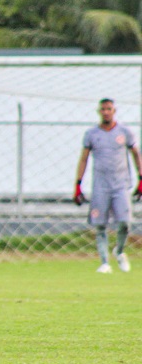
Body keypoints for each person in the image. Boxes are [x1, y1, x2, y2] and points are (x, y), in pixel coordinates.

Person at [73, 98, 142, 273]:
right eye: (103, 109)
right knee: (101, 225)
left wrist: (141, 179)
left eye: (109, 109)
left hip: (121, 185)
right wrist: (78, 184)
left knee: (124, 223)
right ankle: (104, 262)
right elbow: (84, 158)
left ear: (114, 111)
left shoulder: (125, 132)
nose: (106, 112)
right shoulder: (91, 134)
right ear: (99, 111)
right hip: (100, 186)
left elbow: (136, 155)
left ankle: (119, 252)